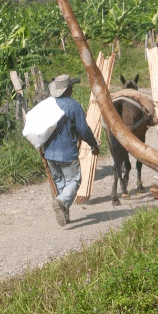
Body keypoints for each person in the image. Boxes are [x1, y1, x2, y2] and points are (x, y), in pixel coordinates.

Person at [43, 74, 100, 226]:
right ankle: (61, 202)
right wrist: (93, 144)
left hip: (49, 152)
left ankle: (65, 214)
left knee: (60, 182)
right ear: (69, 89)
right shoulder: (73, 106)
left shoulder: (48, 104)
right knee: (74, 181)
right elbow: (83, 130)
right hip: (67, 152)